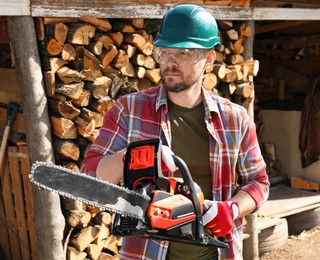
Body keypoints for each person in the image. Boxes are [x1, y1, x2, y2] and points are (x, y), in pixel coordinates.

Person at [81, 4, 269, 259]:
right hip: (147, 253)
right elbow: (89, 178)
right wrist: (134, 157)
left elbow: (258, 182)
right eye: (164, 52)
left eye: (183, 53)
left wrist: (232, 209)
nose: (170, 62)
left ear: (209, 59)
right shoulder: (129, 110)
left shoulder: (235, 119)